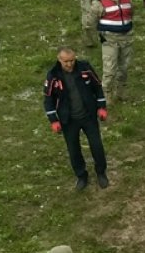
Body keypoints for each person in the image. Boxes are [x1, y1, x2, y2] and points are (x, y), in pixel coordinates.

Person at [43, 47, 110, 191]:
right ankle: (81, 176)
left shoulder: (85, 68)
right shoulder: (53, 75)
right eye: (66, 61)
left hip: (88, 116)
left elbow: (97, 87)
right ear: (59, 60)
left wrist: (102, 107)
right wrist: (53, 120)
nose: (69, 64)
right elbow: (48, 99)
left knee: (97, 146)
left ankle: (101, 172)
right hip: (68, 120)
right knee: (73, 150)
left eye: (72, 60)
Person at [89, 0, 133, 103]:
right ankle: (106, 96)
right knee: (110, 70)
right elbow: (91, 22)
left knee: (124, 68)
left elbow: (131, 14)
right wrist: (100, 36)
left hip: (126, 39)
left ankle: (121, 92)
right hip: (110, 40)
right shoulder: (100, 3)